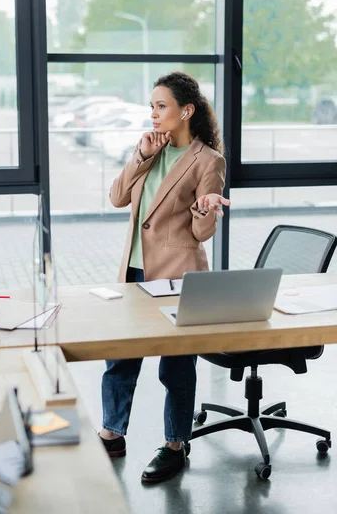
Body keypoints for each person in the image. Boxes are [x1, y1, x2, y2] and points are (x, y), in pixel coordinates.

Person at [99, 71, 230, 483]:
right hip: (134, 272)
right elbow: (118, 197)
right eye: (151, 107)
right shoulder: (150, 149)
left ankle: (175, 445)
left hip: (178, 277)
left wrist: (205, 209)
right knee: (120, 356)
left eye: (161, 106)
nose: (153, 114)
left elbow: (200, 234)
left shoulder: (208, 160)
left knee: (175, 367)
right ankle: (111, 433)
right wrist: (140, 155)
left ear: (185, 110)